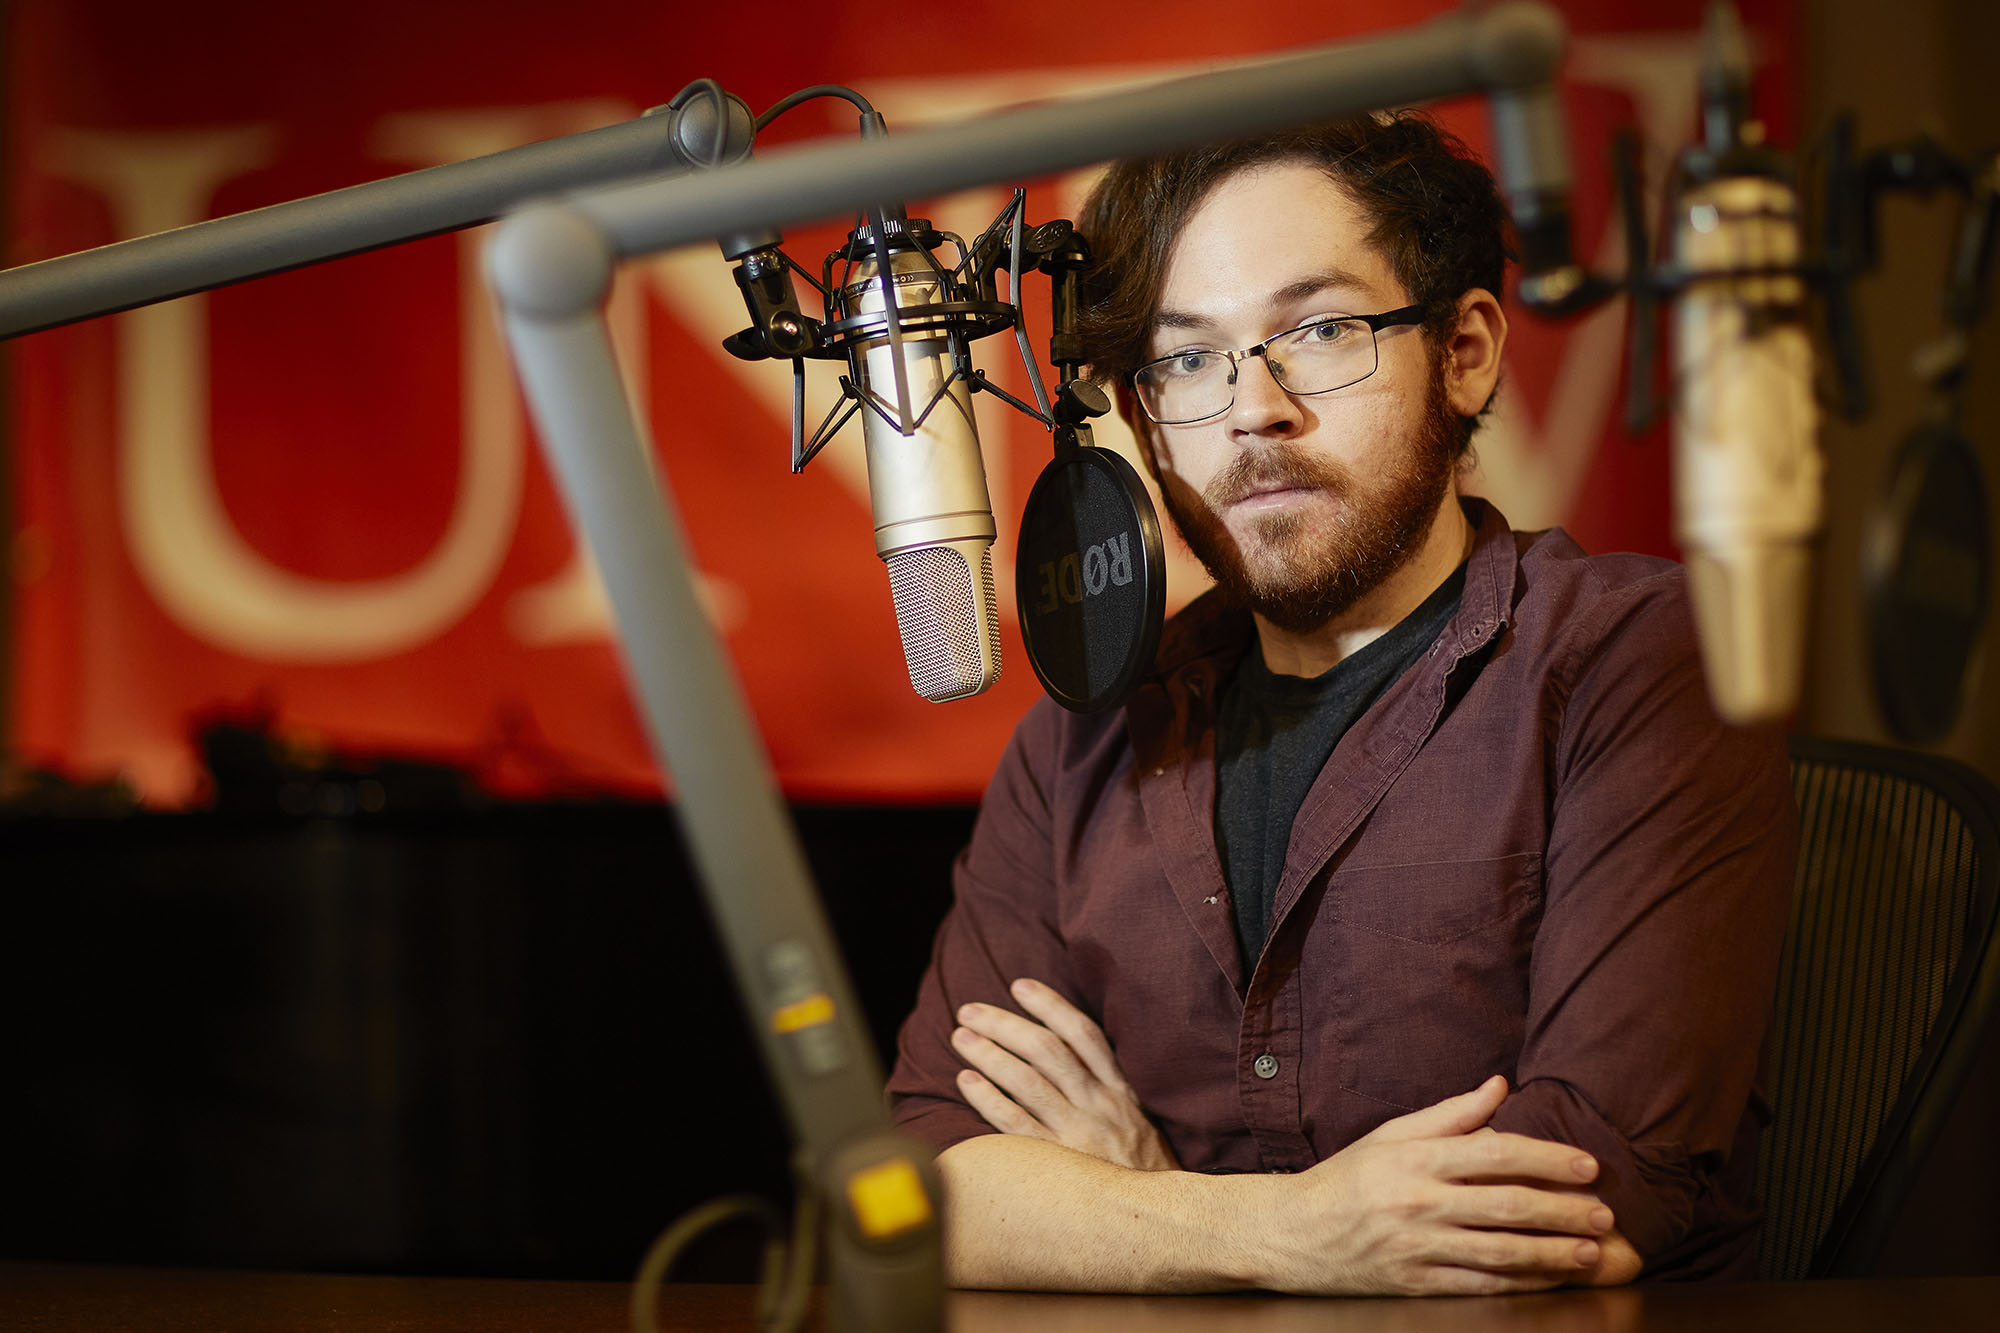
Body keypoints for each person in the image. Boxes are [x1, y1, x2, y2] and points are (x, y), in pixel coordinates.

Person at [884, 112, 1797, 1296]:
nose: (1251, 410)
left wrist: (1124, 1203)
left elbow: (1583, 1192)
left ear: (1463, 351)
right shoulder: (1088, 730)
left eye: (1316, 331)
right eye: (1186, 359)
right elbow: (919, 1184)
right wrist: (1268, 1230)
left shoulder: (1632, 659)